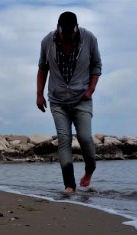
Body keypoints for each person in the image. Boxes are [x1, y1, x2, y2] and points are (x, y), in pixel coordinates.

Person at [36, 11, 102, 193]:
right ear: (58, 28)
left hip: (82, 99)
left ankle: (89, 171)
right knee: (64, 139)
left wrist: (91, 90)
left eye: (70, 34)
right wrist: (39, 95)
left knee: (85, 138)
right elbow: (42, 68)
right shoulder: (47, 42)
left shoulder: (89, 39)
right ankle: (69, 185)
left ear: (76, 29)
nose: (67, 38)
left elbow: (96, 66)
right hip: (57, 101)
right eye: (63, 34)